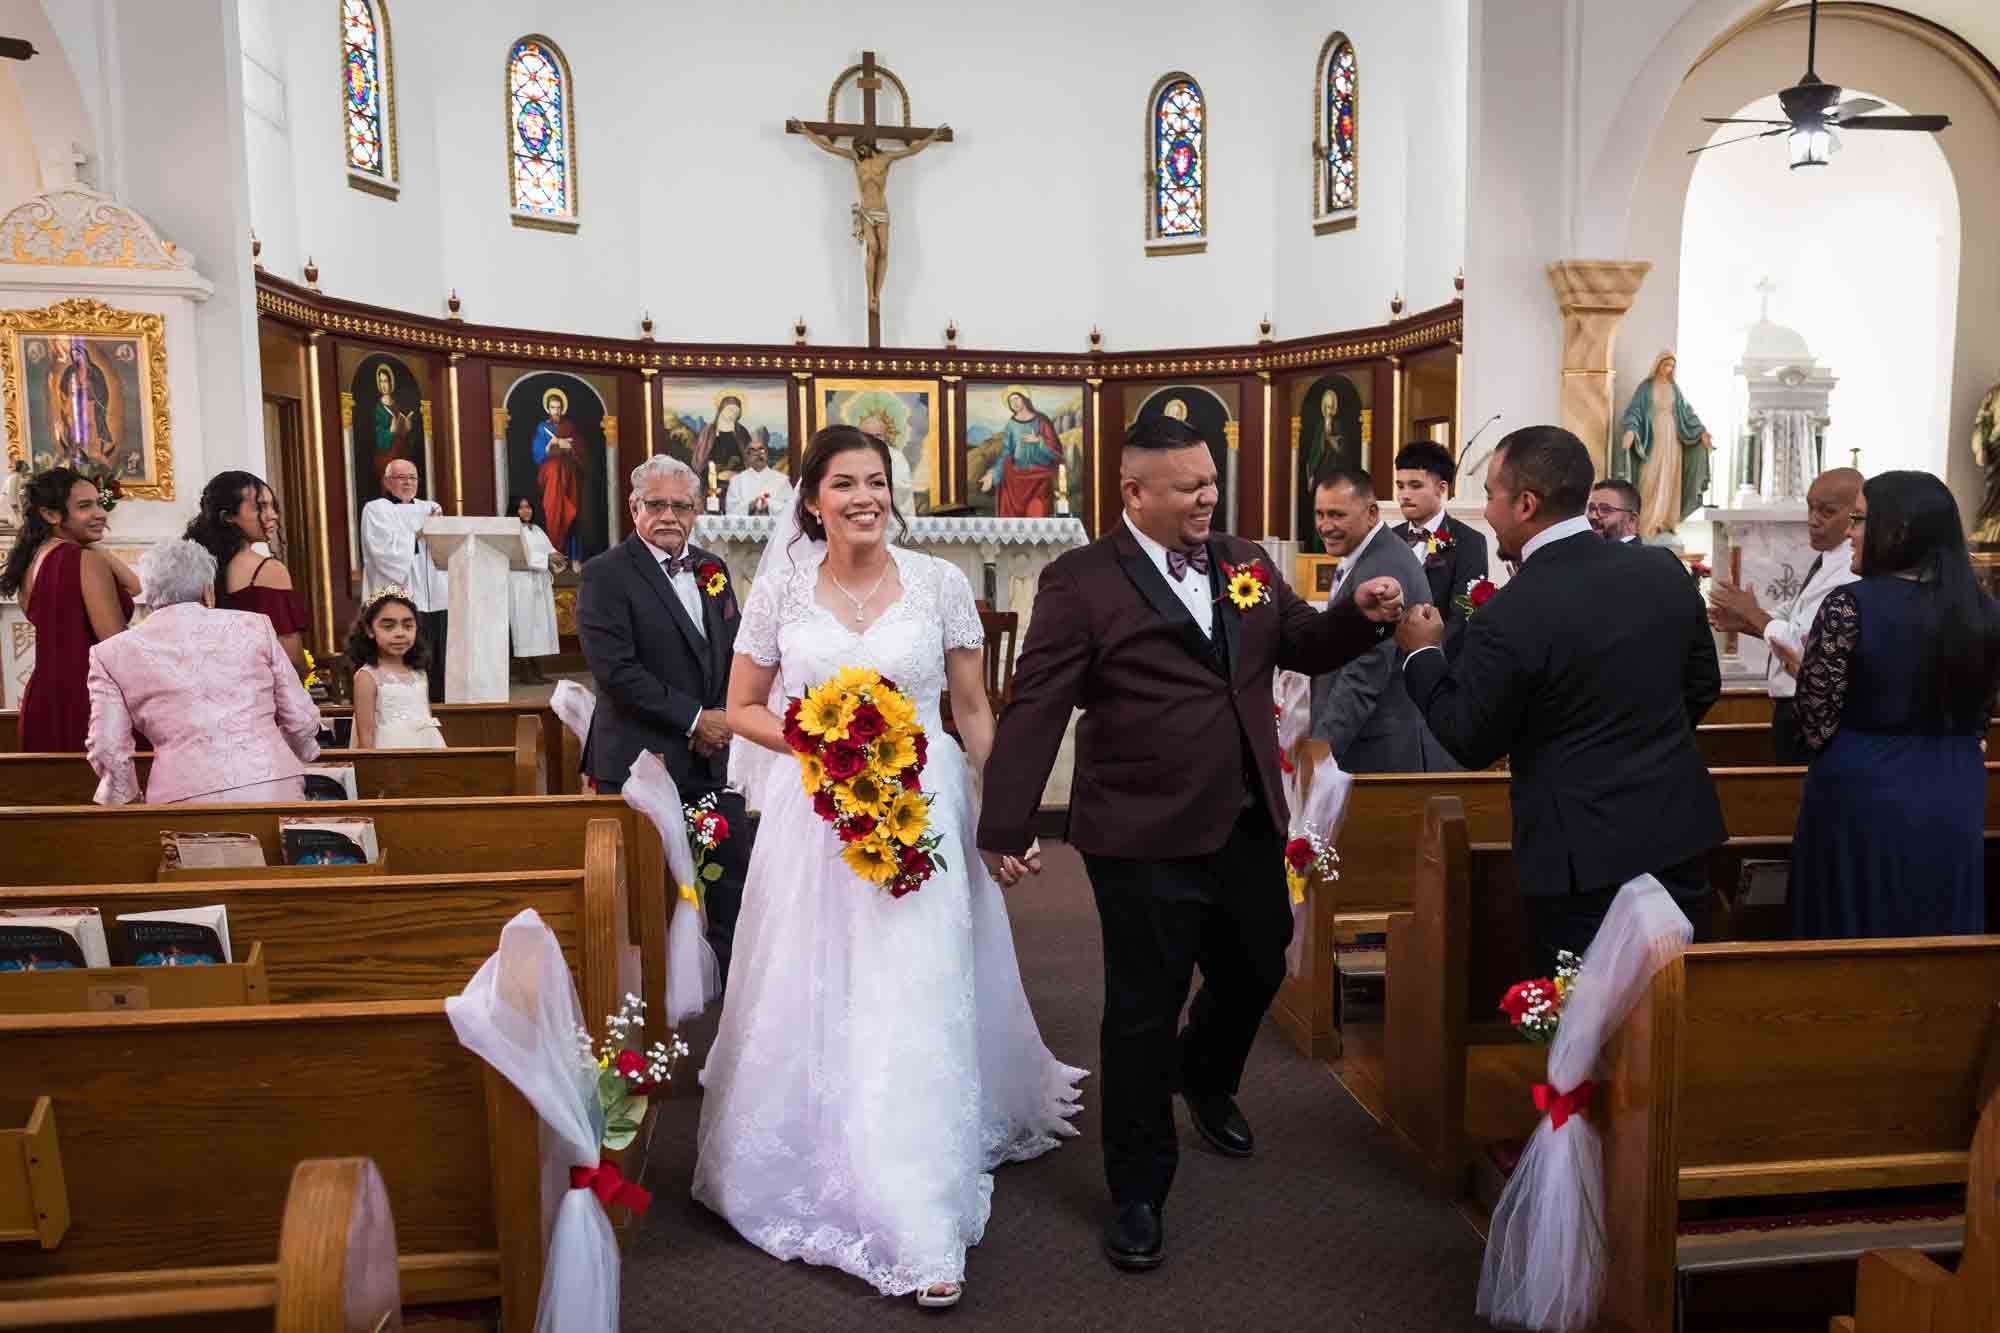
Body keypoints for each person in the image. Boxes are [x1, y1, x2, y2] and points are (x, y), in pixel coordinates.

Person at [977, 417, 1405, 1274]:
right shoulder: (1080, 581)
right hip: (1139, 828)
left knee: (1258, 960)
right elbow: (1040, 703)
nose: (1209, 496)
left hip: (1247, 812)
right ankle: (1138, 1187)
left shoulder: (1246, 562)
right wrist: (1007, 823)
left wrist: (1356, 616)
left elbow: (1302, 642)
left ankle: (1204, 1075)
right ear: (1134, 493)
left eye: (1211, 480)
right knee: (1143, 1001)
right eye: (1188, 485)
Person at [696, 425, 1084, 1309]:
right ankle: (816, 1145)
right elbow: (740, 707)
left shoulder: (941, 583)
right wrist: (821, 738)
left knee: (914, 984)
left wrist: (1010, 809)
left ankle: (919, 1209)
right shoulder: (783, 590)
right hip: (817, 816)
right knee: (820, 976)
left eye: (877, 481)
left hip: (924, 805)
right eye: (844, 484)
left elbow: (976, 710)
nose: (864, 497)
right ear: (811, 500)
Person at [1396, 425, 1725, 968]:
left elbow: (1470, 740)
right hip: (1676, 835)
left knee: (1588, 1028)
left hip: (1579, 859)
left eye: (1492, 497)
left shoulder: (1511, 612)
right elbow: (1702, 686)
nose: (1488, 511)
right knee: (1676, 1018)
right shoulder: (1662, 572)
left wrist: (1421, 656)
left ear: (1526, 503)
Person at [1788, 471, 1998, 938]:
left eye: (1860, 520)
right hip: (1953, 782)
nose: (1849, 532)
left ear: (1898, 531)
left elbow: (1814, 722)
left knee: (1852, 933)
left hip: (1862, 788)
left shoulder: (1849, 605)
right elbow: (1982, 713)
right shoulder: (1983, 609)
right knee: (1936, 927)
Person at [575, 455, 754, 981]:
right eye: (657, 504)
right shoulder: (605, 574)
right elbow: (616, 670)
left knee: (728, 879)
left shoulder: (712, 569)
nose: (670, 515)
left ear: (697, 509)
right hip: (638, 756)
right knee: (646, 891)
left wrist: (721, 717)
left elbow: (734, 649)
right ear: (634, 508)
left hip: (710, 755)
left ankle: (727, 993)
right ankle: (647, 998)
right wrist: (696, 718)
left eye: (681, 505)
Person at [85, 539, 321, 804]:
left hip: (181, 796)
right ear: (208, 591)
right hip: (272, 784)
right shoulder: (255, 626)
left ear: (148, 595)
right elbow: (300, 716)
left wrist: (125, 799)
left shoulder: (111, 653)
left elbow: (107, 746)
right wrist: (296, 751)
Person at [1707, 468, 1863, 765]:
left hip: (1809, 706)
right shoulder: (1831, 557)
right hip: (1794, 704)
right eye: (1810, 507)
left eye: (1826, 511)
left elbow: (1803, 642)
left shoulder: (1850, 569)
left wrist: (1752, 614)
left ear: (1855, 514)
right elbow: (1797, 616)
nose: (1812, 520)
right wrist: (1748, 621)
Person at [1308, 470, 1456, 773]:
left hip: (1385, 752)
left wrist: (1320, 753)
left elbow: (1363, 675)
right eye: (1320, 514)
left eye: (1336, 515)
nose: (1325, 526)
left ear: (1372, 513)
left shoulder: (1383, 566)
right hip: (1376, 745)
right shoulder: (1372, 555)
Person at [0, 467, 135, 751]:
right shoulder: (82, 560)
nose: (100, 513)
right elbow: (115, 645)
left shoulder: (31, 561)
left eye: (99, 503)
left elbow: (133, 585)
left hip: (43, 699)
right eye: (85, 506)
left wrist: (94, 545)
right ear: (50, 515)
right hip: (88, 700)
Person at [185, 470, 311, 676]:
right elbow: (292, 661)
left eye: (273, 506)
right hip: (256, 696)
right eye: (260, 507)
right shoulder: (269, 571)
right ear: (228, 517)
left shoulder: (191, 566)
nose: (273, 515)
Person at [359, 458, 448, 703]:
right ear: (388, 482)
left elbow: (442, 545)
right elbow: (383, 551)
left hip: (436, 594)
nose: (408, 482)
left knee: (436, 661)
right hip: (402, 594)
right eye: (401, 478)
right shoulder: (376, 509)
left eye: (413, 477)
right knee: (410, 661)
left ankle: (439, 705)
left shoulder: (431, 506)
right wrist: (419, 534)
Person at [1616, 350, 1713, 540]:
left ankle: (1667, 522)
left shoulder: (1674, 388)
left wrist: (1702, 431)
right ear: (1658, 365)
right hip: (1653, 437)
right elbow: (1635, 410)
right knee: (1650, 478)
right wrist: (1631, 430)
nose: (1668, 369)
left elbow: (1687, 412)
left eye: (1671, 366)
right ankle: (1647, 523)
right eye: (1665, 364)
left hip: (1672, 437)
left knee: (1670, 478)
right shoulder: (1646, 387)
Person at [1391, 440, 1489, 627]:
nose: (1405, 495)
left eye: (1415, 485)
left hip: (1440, 652)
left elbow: (1463, 617)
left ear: (1441, 488)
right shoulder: (1389, 539)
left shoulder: (1469, 542)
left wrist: (1428, 653)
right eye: (1400, 486)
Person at [348, 589, 444, 749]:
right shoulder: (367, 677)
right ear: (370, 630)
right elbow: (365, 735)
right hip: (388, 753)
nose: (400, 633)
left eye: (408, 626)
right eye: (388, 627)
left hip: (428, 747)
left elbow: (426, 716)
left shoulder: (419, 673)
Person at [979, 390, 1064, 518]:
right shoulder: (1011, 424)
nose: (1014, 403)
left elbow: (1055, 452)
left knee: (1037, 517)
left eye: (1016, 399)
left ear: (1025, 399)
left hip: (1039, 478)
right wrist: (993, 474)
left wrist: (1039, 441)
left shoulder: (1041, 421)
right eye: (1011, 401)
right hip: (1016, 479)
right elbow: (1006, 453)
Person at [506, 494, 561, 683]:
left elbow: (550, 551)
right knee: (524, 627)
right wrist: (546, 559)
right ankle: (525, 673)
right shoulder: (511, 531)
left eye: (528, 507)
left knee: (539, 627)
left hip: (539, 582)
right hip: (521, 583)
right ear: (514, 510)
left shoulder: (536, 529)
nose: (525, 511)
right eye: (521, 507)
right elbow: (517, 557)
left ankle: (537, 670)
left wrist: (557, 557)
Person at [533, 388, 587, 560]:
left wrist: (570, 446)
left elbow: (580, 449)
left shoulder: (569, 426)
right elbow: (538, 454)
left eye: (558, 407)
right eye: (552, 407)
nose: (555, 411)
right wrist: (551, 446)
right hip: (552, 477)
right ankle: (556, 557)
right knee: (554, 514)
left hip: (569, 476)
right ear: (547, 409)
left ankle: (574, 558)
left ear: (562, 409)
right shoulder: (543, 428)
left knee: (572, 515)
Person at [722, 428, 793, 517]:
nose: (758, 454)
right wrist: (750, 505)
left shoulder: (782, 480)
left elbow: (790, 509)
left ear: (767, 453)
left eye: (761, 449)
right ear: (747, 456)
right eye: (752, 450)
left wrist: (768, 505)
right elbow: (731, 511)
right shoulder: (737, 481)